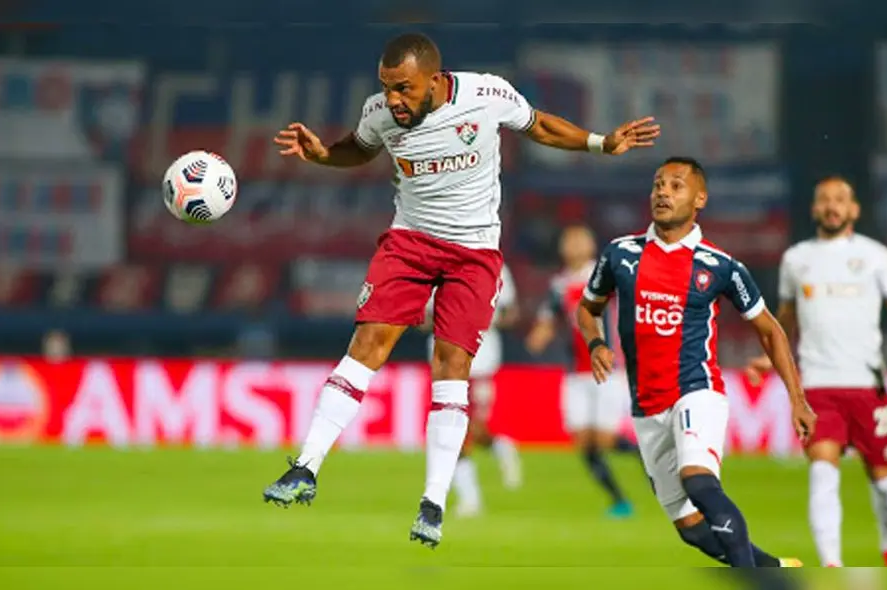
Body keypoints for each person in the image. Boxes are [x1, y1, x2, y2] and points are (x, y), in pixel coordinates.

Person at [261, 31, 661, 548]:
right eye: (388, 88)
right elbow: (356, 151)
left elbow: (538, 125)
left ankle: (432, 503)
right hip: (409, 243)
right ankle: (306, 468)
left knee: (452, 368)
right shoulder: (379, 112)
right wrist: (321, 155)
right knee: (367, 345)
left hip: (473, 253)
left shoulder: (486, 95)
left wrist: (599, 142)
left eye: (404, 88)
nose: (395, 100)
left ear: (434, 77)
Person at [576, 156, 813, 568]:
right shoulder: (620, 253)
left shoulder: (719, 266)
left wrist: (797, 398)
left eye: (676, 185)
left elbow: (770, 329)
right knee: (692, 530)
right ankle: (775, 570)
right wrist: (596, 343)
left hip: (696, 391)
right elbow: (587, 307)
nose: (663, 192)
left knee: (699, 481)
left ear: (699, 198)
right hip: (646, 407)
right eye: (658, 184)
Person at [745, 176, 887, 568]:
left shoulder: (876, 255)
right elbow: (785, 319)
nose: (831, 206)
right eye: (824, 199)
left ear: (853, 209)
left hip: (864, 383)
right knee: (822, 474)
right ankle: (832, 567)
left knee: (884, 480)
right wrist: (767, 357)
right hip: (817, 386)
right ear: (814, 209)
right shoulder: (797, 259)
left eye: (840, 199)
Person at [526, 225, 639, 518]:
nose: (574, 245)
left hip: (607, 369)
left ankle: (649, 457)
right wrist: (538, 336)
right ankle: (619, 501)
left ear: (591, 246)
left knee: (602, 440)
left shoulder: (604, 275)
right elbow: (549, 318)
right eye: (569, 240)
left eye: (580, 240)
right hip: (576, 373)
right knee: (582, 441)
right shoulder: (560, 284)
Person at [421, 262, 522, 518]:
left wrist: (482, 318)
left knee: (466, 429)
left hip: (480, 359)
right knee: (455, 429)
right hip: (444, 359)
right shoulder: (434, 266)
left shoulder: (495, 267)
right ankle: (493, 458)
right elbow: (424, 316)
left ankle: (472, 497)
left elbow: (511, 312)